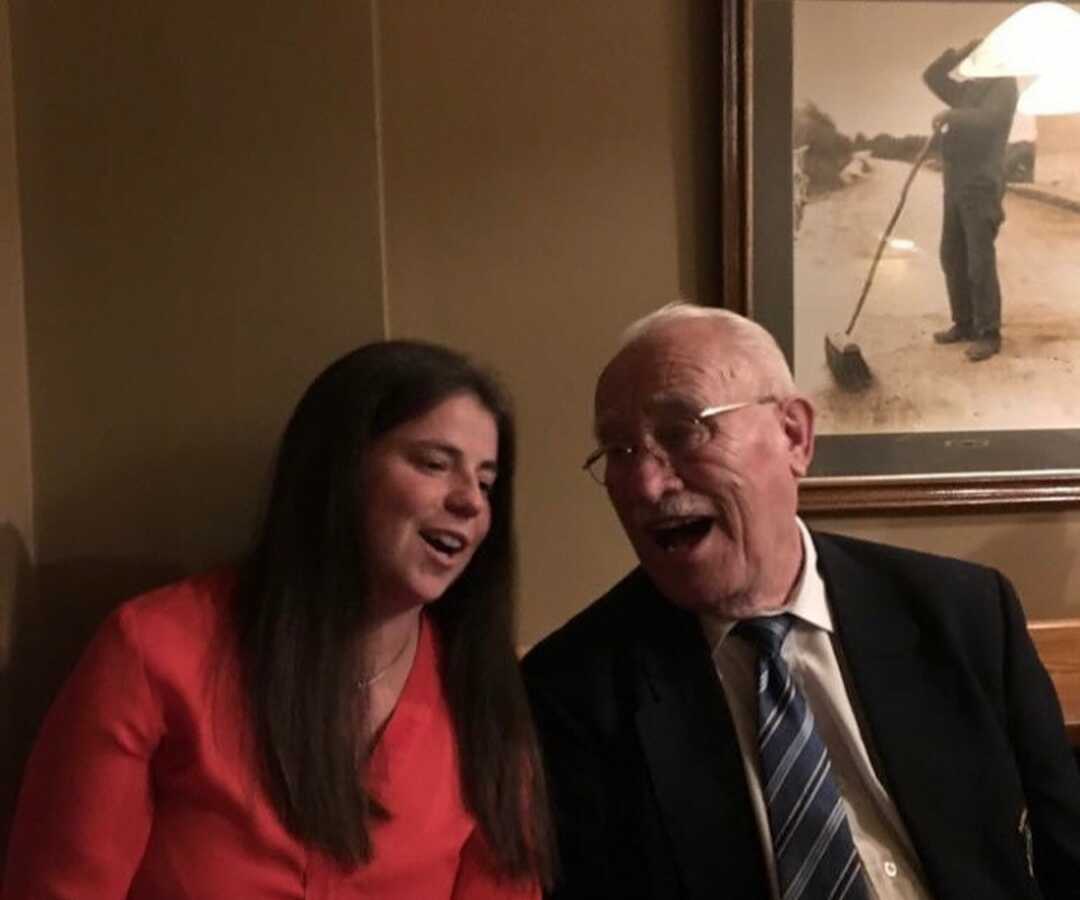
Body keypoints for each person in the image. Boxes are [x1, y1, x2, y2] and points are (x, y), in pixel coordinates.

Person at [523, 303, 1080, 899]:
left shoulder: (965, 613)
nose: (645, 484)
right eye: (619, 451)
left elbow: (1066, 852)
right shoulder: (572, 690)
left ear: (794, 435)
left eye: (683, 431)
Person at [3, 340, 553, 898]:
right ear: (337, 470)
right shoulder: (153, 651)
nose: (471, 501)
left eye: (486, 482)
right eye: (434, 463)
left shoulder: (480, 694)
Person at [923, 39, 1018, 362]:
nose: (975, 62)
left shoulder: (1004, 85)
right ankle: (963, 323)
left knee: (979, 260)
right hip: (955, 183)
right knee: (952, 254)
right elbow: (931, 76)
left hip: (981, 184)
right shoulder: (966, 90)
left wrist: (952, 114)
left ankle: (988, 333)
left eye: (981, 55)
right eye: (973, 57)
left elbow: (990, 120)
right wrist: (960, 51)